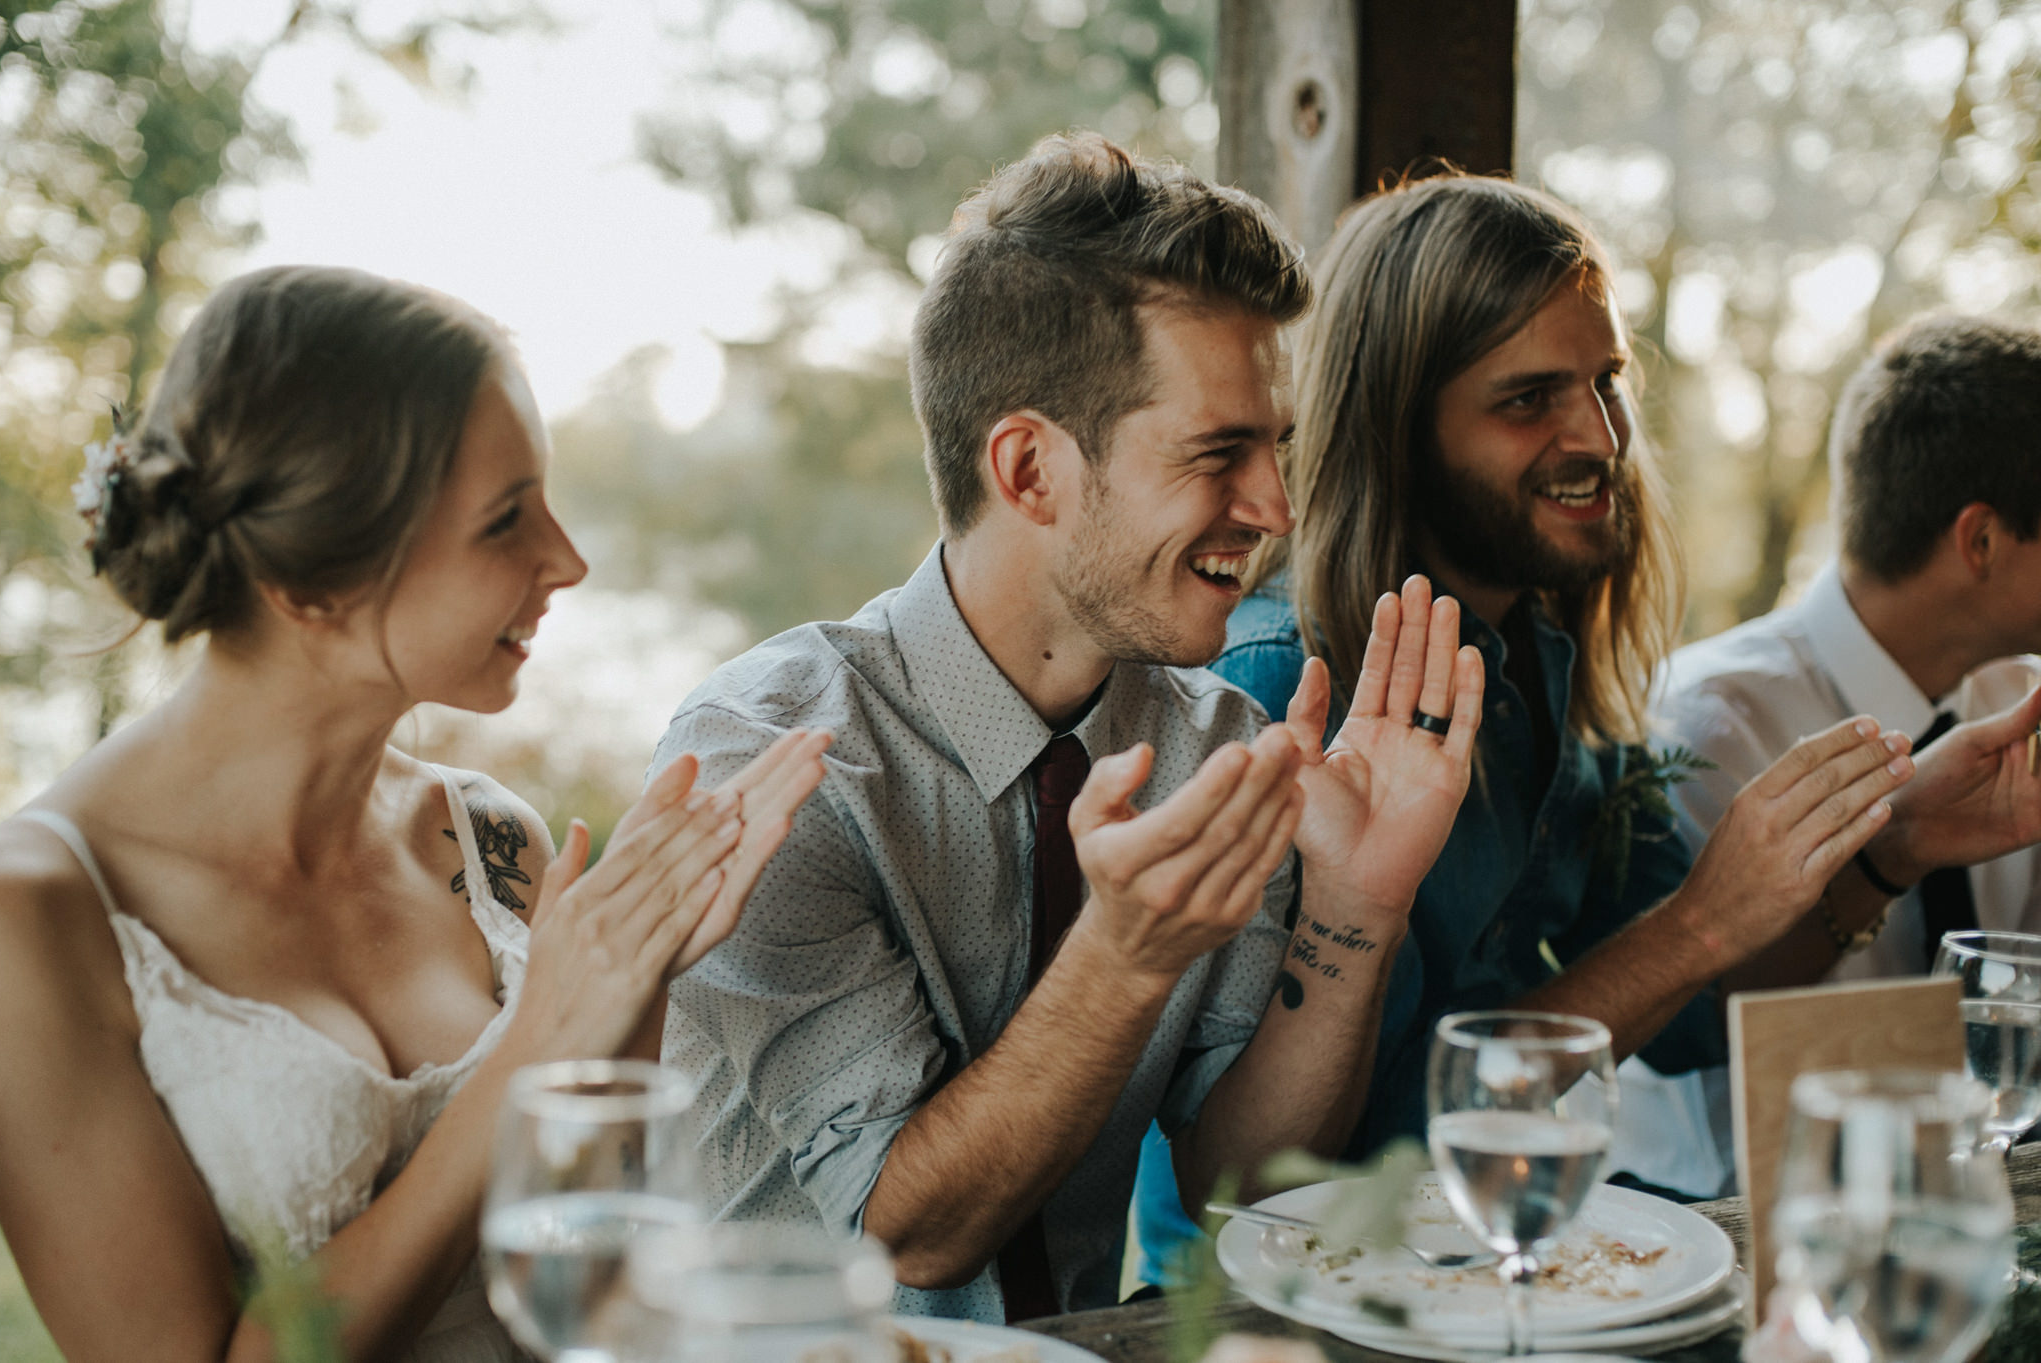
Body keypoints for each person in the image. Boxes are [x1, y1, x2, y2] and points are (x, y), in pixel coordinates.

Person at [1131, 171, 2041, 1267]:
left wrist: (1890, 853)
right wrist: (1698, 920)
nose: (1600, 437)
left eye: (1605, 382)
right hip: (1275, 1303)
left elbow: (1694, 1010)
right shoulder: (1282, 687)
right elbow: (1324, 1164)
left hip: (1503, 1255)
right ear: (1400, 431)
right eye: (1527, 400)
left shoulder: (1544, 657)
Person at [652, 133, 1486, 1323]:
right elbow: (910, 1229)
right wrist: (1125, 957)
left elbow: (1232, 1186)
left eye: (1276, 450)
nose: (1274, 509)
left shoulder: (1219, 743)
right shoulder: (766, 759)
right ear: (1030, 468)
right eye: (1218, 454)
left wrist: (1357, 904)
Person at [0, 266, 829, 1362]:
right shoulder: (35, 919)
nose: (566, 560)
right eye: (504, 520)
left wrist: (631, 972)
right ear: (315, 584)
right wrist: (536, 1045)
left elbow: (592, 1286)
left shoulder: (489, 844)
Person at [1644, 316, 2041, 1174]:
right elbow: (1704, 1026)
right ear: (1980, 541)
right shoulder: (1711, 726)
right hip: (1748, 1231)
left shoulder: (2020, 700)